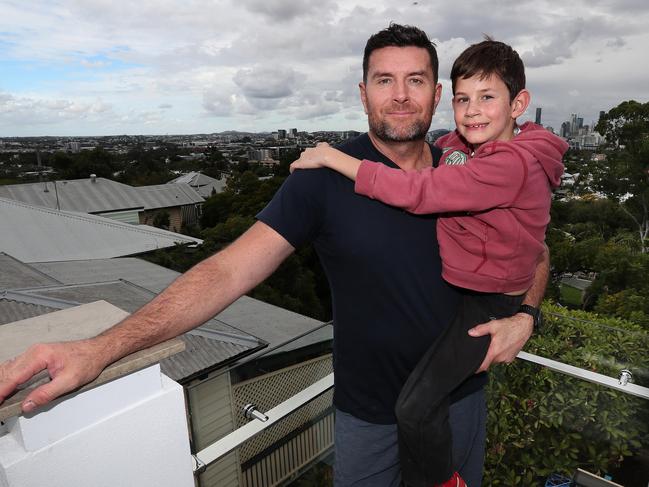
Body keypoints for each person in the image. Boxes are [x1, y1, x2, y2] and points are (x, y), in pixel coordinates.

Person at [0, 25, 548, 487]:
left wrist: (526, 315)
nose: (400, 95)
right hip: (368, 418)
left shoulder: (468, 169)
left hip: (462, 396)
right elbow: (228, 270)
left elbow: (535, 251)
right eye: (385, 80)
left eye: (416, 80)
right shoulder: (323, 179)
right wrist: (100, 349)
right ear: (363, 94)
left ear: (436, 95)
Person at [290, 38, 568, 486]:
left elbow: (417, 192)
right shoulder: (479, 149)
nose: (473, 111)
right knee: (421, 402)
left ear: (519, 104)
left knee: (415, 406)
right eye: (463, 100)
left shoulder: (506, 166)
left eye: (487, 98)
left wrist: (331, 157)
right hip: (473, 303)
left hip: (487, 304)